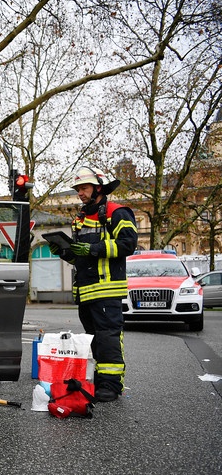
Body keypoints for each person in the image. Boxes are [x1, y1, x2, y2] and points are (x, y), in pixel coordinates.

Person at [50, 166, 138, 402]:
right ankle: (100, 380)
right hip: (86, 291)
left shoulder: (116, 212)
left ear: (98, 187)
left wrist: (94, 248)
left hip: (107, 289)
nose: (80, 193)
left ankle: (111, 385)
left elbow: (128, 244)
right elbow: (80, 257)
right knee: (94, 338)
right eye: (78, 189)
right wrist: (64, 252)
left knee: (108, 337)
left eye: (84, 188)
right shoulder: (80, 218)